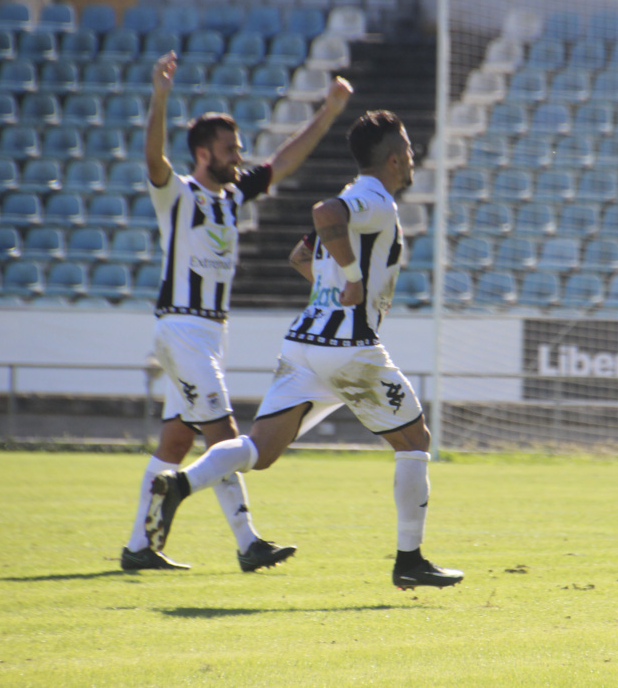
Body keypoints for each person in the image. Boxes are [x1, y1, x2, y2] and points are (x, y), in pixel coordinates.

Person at [144, 110, 463, 590]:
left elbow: (300, 254)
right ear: (396, 160)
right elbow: (324, 213)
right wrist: (353, 281)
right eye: (410, 151)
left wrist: (331, 290)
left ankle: (182, 483)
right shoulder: (375, 201)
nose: (413, 157)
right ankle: (410, 560)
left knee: (260, 450)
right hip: (348, 347)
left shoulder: (360, 197)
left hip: (304, 343)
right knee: (415, 441)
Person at [121, 51, 353, 572]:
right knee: (225, 436)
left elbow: (285, 161)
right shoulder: (179, 195)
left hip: (207, 334)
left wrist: (329, 112)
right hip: (182, 327)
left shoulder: (230, 195)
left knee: (178, 439)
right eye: (230, 148)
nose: (239, 155)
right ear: (203, 152)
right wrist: (160, 98)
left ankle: (138, 548)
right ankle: (248, 543)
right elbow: (154, 162)